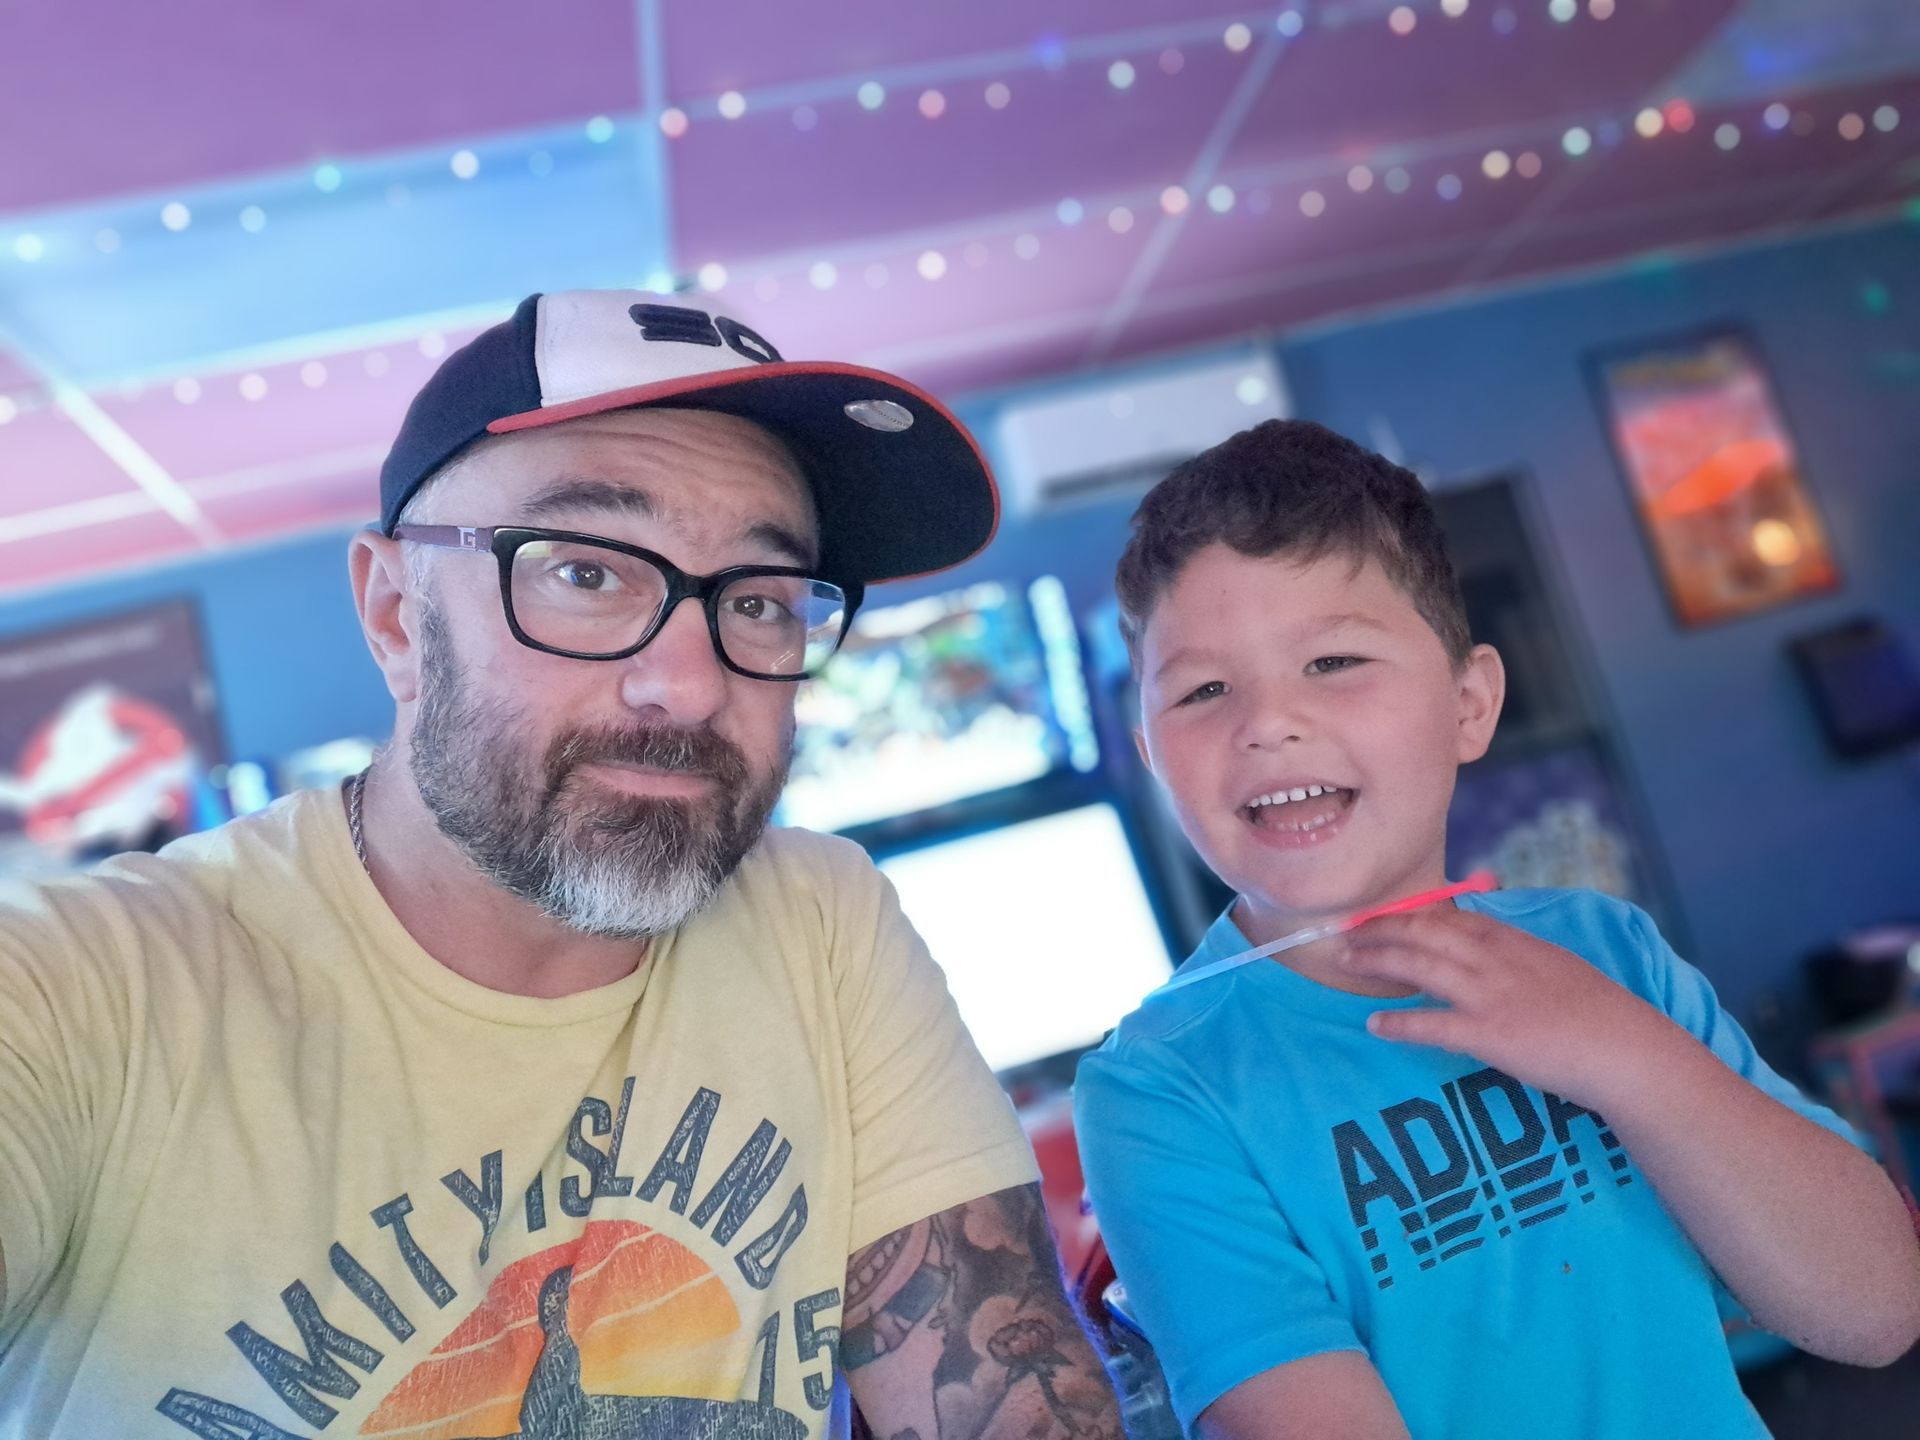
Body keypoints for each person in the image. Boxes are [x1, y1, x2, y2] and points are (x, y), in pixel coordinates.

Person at [0, 290, 1124, 1440]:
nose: (688, 685)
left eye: (759, 599)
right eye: (585, 573)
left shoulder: (816, 920)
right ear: (396, 616)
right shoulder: (87, 991)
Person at [1073, 419, 1920, 1439]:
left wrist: (1619, 1048)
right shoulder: (1159, 1090)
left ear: (1469, 703)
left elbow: (1876, 1307)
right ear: (1151, 757)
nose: (1266, 722)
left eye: (1333, 659)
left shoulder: (1604, 949)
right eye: (1204, 689)